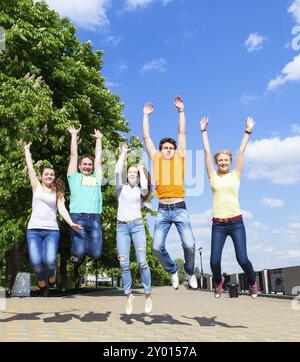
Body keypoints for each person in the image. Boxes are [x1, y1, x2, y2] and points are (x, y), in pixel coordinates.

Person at [200, 116, 258, 298]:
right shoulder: (213, 177)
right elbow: (207, 153)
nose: (223, 162)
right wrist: (203, 132)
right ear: (217, 163)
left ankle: (252, 282)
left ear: (230, 162)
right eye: (220, 161)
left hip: (236, 222)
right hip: (218, 224)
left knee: (242, 259)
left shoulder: (236, 175)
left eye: (226, 160)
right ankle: (219, 282)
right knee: (214, 261)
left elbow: (240, 152)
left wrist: (247, 131)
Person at [142, 96, 197, 290]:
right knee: (156, 247)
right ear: (160, 150)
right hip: (163, 209)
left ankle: (189, 272)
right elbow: (146, 138)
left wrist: (181, 111)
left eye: (170, 148)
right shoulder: (156, 158)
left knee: (189, 245)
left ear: (175, 150)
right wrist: (146, 116)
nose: (168, 151)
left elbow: (182, 132)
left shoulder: (180, 157)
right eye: (165, 148)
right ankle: (173, 270)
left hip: (180, 207)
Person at [24, 141, 82, 296]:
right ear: (41, 176)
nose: (49, 176)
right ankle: (42, 282)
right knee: (36, 262)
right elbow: (30, 169)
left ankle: (52, 276)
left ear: (54, 176)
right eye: (46, 174)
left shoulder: (57, 192)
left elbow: (62, 208)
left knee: (50, 261)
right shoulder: (36, 187)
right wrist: (26, 150)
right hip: (33, 230)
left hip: (51, 231)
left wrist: (70, 223)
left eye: (51, 174)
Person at [115, 144, 152, 315]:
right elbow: (117, 170)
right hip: (121, 227)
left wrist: (142, 170)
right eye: (129, 172)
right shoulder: (120, 188)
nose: (132, 174)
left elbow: (145, 186)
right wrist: (123, 153)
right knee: (123, 264)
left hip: (137, 227)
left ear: (137, 178)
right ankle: (128, 295)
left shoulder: (140, 190)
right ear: (126, 175)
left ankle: (147, 295)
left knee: (142, 262)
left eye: (135, 174)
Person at [67, 126, 103, 287]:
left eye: (89, 164)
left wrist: (98, 140)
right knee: (79, 251)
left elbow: (98, 160)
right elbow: (74, 156)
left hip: (94, 218)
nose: (88, 166)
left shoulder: (97, 178)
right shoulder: (74, 177)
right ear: (80, 167)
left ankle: (82, 248)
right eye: (85, 164)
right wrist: (74, 135)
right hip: (78, 218)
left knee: (96, 254)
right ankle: (75, 255)